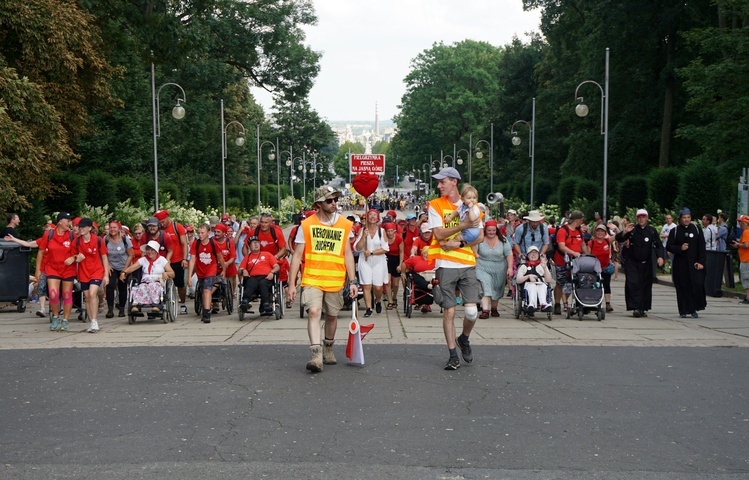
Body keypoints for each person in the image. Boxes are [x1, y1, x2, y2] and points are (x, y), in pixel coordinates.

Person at [287, 185, 359, 373]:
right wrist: (291, 284)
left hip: (335, 279)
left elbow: (348, 254)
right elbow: (296, 256)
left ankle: (328, 347)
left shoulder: (344, 224)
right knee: (314, 311)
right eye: (329, 200)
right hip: (312, 278)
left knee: (332, 317)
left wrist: (353, 281)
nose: (333, 203)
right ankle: (316, 354)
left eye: (335, 199)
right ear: (319, 204)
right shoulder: (307, 225)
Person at [427, 167, 483, 370]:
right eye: (439, 182)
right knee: (449, 311)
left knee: (471, 312)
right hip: (445, 264)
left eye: (442, 182)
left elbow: (481, 236)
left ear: (454, 182)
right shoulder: (435, 205)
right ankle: (452, 355)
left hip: (467, 263)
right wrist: (463, 225)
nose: (439, 186)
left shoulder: (473, 205)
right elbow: (439, 234)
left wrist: (458, 243)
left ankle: (464, 338)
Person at [615, 209, 666, 317]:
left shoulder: (651, 231)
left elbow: (658, 245)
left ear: (647, 218)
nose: (641, 219)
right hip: (632, 262)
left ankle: (643, 307)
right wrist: (625, 231)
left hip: (646, 262)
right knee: (633, 283)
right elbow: (619, 238)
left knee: (645, 285)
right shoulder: (632, 230)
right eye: (639, 217)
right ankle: (636, 307)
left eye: (643, 217)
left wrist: (660, 256)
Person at [666, 207, 707, 318]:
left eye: (688, 217)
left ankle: (693, 308)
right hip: (680, 264)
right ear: (680, 219)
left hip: (694, 263)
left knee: (695, 285)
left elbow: (702, 247)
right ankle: (683, 310)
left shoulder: (696, 229)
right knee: (682, 286)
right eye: (684, 218)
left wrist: (701, 261)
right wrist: (680, 248)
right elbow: (669, 246)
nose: (686, 220)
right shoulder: (675, 231)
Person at [72, 218, 109, 333]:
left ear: (89, 228)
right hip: (83, 273)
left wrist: (106, 274)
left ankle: (94, 321)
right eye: (79, 227)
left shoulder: (98, 240)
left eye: (83, 227)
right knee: (87, 297)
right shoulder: (76, 242)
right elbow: (73, 258)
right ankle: (91, 320)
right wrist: (77, 259)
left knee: (93, 294)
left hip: (96, 271)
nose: (80, 229)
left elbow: (104, 257)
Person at [553, 210, 590, 315]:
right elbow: (561, 246)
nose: (582, 222)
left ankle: (570, 302)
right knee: (560, 282)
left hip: (576, 261)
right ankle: (556, 303)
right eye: (581, 220)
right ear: (577, 220)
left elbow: (582, 245)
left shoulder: (579, 232)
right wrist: (573, 252)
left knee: (571, 282)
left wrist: (588, 256)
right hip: (562, 260)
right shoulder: (563, 230)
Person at [187, 224, 227, 323]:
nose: (200, 235)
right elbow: (192, 260)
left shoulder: (213, 243)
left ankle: (206, 313)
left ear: (208, 233)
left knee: (207, 290)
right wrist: (189, 276)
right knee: (202, 289)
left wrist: (224, 269)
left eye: (202, 233)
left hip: (211, 269)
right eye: (199, 233)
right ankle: (205, 306)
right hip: (200, 270)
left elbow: (220, 257)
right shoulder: (196, 244)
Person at [119, 240, 175, 307]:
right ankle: (137, 305)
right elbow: (133, 267)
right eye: (148, 250)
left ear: (156, 251)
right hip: (145, 281)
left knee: (154, 286)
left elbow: (172, 273)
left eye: (152, 250)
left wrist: (166, 273)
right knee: (141, 287)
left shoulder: (162, 260)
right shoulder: (143, 259)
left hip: (157, 281)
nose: (149, 252)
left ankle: (156, 304)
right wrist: (124, 272)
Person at [476, 220, 513, 319]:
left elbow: (509, 254)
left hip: (499, 268)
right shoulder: (480, 239)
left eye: (493, 230)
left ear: (496, 230)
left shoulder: (503, 240)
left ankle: (494, 308)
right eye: (489, 230)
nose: (491, 232)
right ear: (485, 230)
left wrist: (510, 268)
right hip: (482, 266)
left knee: (496, 288)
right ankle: (485, 310)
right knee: (485, 285)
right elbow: (474, 252)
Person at [355, 209, 388, 317]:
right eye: (370, 215)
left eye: (375, 215)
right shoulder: (362, 230)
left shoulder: (381, 231)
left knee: (378, 287)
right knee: (367, 285)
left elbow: (385, 248)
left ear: (378, 218)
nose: (372, 217)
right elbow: (357, 248)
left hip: (378, 261)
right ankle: (369, 308)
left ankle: (378, 301)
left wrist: (372, 252)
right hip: (365, 261)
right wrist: (363, 237)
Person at [155, 209, 189, 315]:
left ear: (167, 218)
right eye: (159, 222)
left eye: (162, 221)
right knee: (161, 283)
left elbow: (184, 244)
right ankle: (161, 304)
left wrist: (184, 258)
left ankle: (183, 304)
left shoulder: (177, 227)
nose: (161, 224)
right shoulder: (159, 230)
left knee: (180, 284)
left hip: (177, 260)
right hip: (163, 261)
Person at [239, 236, 279, 315]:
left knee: (263, 283)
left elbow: (277, 266)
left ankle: (266, 304)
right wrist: (243, 270)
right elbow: (240, 269)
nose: (256, 244)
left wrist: (272, 272)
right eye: (253, 243)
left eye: (257, 242)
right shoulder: (248, 257)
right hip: (253, 277)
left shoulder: (267, 254)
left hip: (266, 277)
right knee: (251, 282)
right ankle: (245, 301)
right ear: (249, 246)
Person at [104, 220, 133, 318]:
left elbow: (130, 255)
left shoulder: (125, 239)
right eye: (111, 227)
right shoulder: (106, 239)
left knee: (122, 287)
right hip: (111, 266)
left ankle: (121, 308)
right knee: (110, 286)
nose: (112, 229)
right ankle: (110, 309)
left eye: (114, 227)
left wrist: (125, 270)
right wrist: (107, 265)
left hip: (123, 265)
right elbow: (103, 254)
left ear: (119, 229)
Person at [443, 184, 482, 254]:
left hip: (472, 231)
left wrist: (470, 209)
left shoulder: (474, 208)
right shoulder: (462, 206)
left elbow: (472, 219)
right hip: (467, 230)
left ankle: (451, 243)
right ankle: (475, 253)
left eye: (474, 198)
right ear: (462, 199)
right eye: (469, 198)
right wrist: (450, 217)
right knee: (472, 243)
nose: (472, 200)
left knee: (457, 238)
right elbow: (456, 212)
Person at [515, 246, 553, 315]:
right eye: (531, 253)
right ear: (527, 255)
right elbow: (518, 280)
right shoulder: (523, 266)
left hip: (540, 284)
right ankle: (531, 305)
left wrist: (545, 268)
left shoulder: (542, 265)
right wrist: (528, 276)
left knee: (542, 285)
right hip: (528, 285)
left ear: (539, 255)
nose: (533, 255)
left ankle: (543, 304)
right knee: (532, 285)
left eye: (535, 253)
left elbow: (549, 280)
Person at [588, 223, 614, 312]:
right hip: (594, 269)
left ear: (605, 233)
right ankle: (594, 302)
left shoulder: (607, 241)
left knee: (607, 285)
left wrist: (616, 228)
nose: (600, 233)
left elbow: (619, 236)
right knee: (595, 285)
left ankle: (608, 304)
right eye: (598, 231)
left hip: (605, 268)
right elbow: (587, 255)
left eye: (602, 231)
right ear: (595, 232)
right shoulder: (591, 242)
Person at [212, 223, 237, 314]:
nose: (216, 233)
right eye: (215, 232)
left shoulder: (229, 242)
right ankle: (215, 304)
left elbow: (233, 256)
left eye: (218, 232)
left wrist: (225, 264)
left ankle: (228, 297)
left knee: (228, 283)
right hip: (215, 268)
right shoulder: (212, 241)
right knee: (214, 283)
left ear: (223, 233)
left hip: (228, 267)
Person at [383, 222, 404, 310]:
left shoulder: (398, 238)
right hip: (387, 258)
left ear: (394, 231)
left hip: (396, 259)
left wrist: (400, 264)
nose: (390, 233)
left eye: (391, 231)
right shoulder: (384, 238)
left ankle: (394, 296)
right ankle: (390, 301)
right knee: (387, 282)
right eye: (388, 231)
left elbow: (401, 252)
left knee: (395, 283)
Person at [732, 215, 749, 304]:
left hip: (746, 259)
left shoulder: (746, 232)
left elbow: (746, 245)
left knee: (746, 279)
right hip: (746, 259)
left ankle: (748, 297)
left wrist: (738, 245)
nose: (740, 224)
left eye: (741, 222)